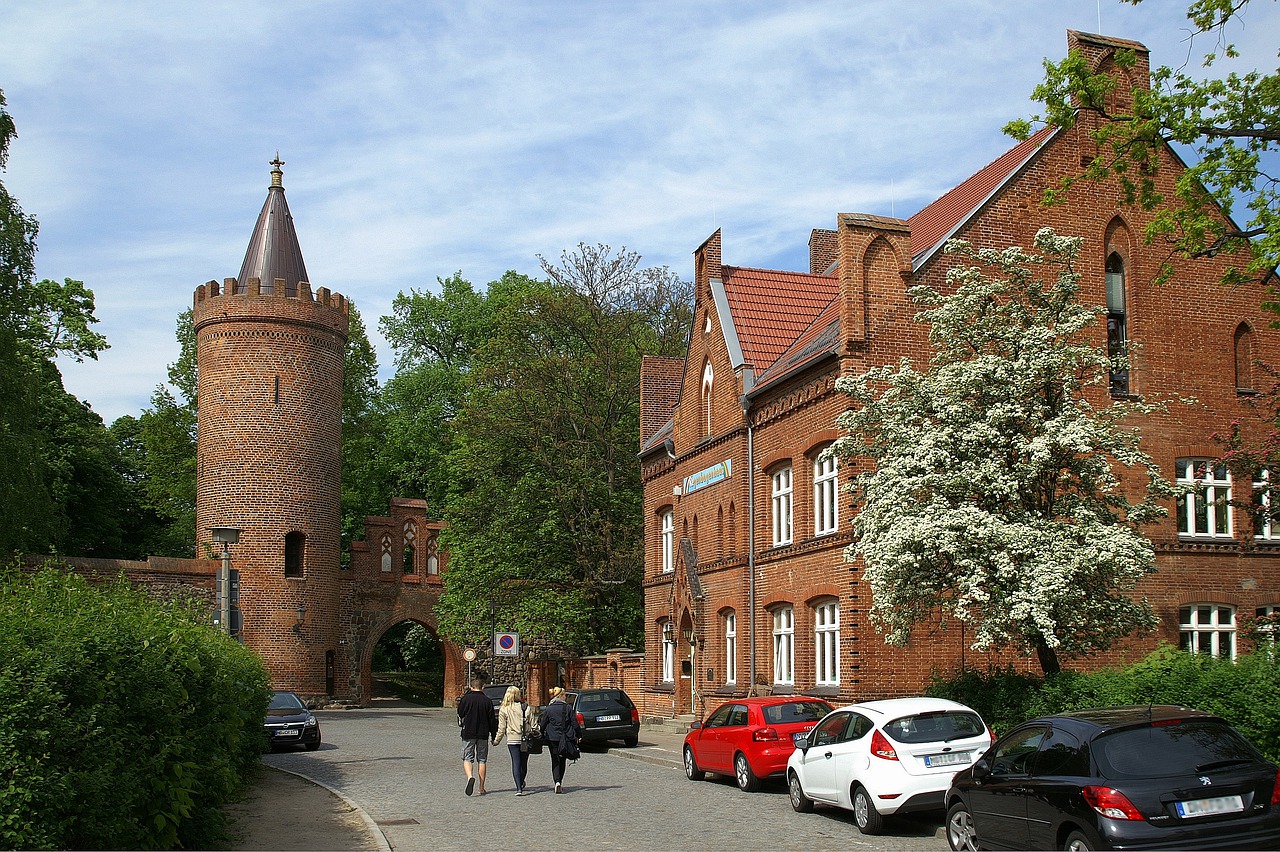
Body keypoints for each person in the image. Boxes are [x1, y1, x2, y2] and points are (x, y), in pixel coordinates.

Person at [457, 677, 498, 796]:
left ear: (471, 687)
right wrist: (494, 734)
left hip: (468, 732)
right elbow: (492, 720)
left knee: (467, 758)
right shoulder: (487, 701)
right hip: (483, 733)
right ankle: (481, 787)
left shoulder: (466, 699)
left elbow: (460, 713)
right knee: (482, 759)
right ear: (483, 688)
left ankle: (470, 776)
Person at [492, 685, 535, 796]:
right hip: (525, 738)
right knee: (524, 763)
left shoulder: (504, 709)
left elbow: (501, 728)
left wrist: (496, 741)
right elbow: (534, 724)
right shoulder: (525, 707)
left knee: (516, 762)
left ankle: (518, 788)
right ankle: (521, 781)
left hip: (512, 739)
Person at [538, 686, 582, 794]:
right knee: (562, 759)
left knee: (555, 759)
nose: (566, 697)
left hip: (552, 738)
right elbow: (574, 723)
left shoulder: (549, 709)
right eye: (565, 695)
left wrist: (541, 735)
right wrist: (579, 735)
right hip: (565, 738)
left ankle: (556, 781)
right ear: (560, 696)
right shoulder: (567, 708)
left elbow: (543, 724)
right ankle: (560, 782)